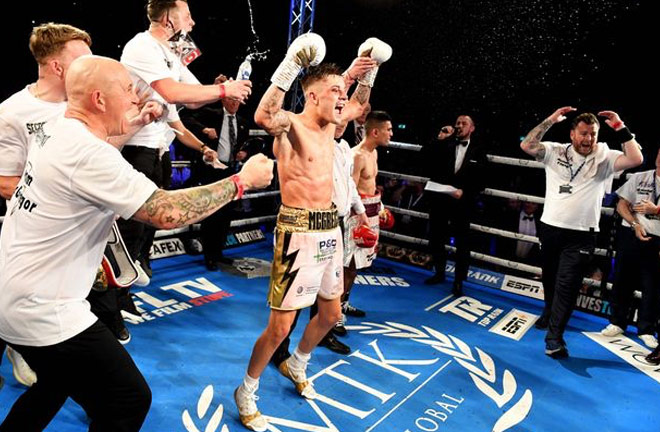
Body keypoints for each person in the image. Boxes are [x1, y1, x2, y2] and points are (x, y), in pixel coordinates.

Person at [0, 55, 273, 431]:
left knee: (57, 382)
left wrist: (136, 122)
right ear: (99, 99)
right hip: (44, 308)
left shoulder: (57, 126)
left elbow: (96, 140)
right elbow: (166, 212)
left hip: (15, 288)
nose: (135, 98)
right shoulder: (88, 155)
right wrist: (241, 182)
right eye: (128, 90)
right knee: (127, 398)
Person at [234, 33, 386, 431]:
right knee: (280, 325)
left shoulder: (332, 130)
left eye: (343, 90)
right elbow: (264, 116)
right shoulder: (293, 126)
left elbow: (360, 105)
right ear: (313, 96)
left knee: (331, 313)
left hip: (330, 229)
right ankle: (247, 390)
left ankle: (297, 362)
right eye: (335, 90)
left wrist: (368, 68)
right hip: (297, 233)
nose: (342, 97)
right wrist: (290, 65)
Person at [118, 0, 251, 278]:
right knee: (133, 225)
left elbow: (192, 98)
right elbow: (171, 92)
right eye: (187, 17)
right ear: (169, 18)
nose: (192, 24)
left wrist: (224, 92)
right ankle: (116, 299)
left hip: (159, 150)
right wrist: (224, 89)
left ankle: (134, 280)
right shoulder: (141, 46)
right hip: (135, 147)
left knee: (152, 223)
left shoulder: (170, 53)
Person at [0, 22, 93, 390]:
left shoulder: (83, 105)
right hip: (35, 236)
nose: (90, 66)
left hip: (80, 234)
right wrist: (60, 196)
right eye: (81, 60)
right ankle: (19, 346)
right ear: (57, 66)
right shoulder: (13, 111)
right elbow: (4, 180)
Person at [520, 106, 643, 358]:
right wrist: (551, 119)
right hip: (551, 227)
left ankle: (554, 338)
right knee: (551, 278)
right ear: (573, 134)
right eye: (584, 133)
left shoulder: (605, 156)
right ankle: (547, 311)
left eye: (593, 134)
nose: (588, 139)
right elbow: (528, 145)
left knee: (567, 286)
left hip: (581, 234)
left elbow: (636, 159)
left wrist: (620, 127)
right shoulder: (555, 151)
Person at [338, 110, 394, 334]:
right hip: (356, 215)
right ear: (375, 131)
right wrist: (359, 218)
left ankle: (342, 304)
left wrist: (379, 207)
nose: (391, 133)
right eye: (388, 129)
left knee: (356, 267)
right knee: (346, 267)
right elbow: (349, 191)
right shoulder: (357, 156)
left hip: (370, 213)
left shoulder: (374, 154)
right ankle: (334, 315)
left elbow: (370, 186)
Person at [600, 147, 660, 349]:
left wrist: (657, 210)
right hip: (631, 233)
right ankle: (617, 322)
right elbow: (621, 205)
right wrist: (635, 224)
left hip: (657, 239)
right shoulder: (640, 177)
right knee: (622, 279)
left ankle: (646, 329)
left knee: (652, 286)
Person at [180, 95, 249, 270]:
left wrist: (243, 153)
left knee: (226, 214)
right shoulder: (211, 113)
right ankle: (209, 256)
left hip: (231, 171)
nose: (235, 104)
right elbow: (185, 118)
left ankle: (219, 254)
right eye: (232, 100)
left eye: (237, 101)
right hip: (211, 170)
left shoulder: (242, 121)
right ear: (224, 101)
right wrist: (204, 130)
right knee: (212, 213)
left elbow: (244, 145)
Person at [422, 115, 487, 296]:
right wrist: (440, 137)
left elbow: (483, 179)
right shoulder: (445, 144)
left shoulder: (479, 150)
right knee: (436, 238)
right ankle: (439, 272)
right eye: (457, 123)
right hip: (440, 201)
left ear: (472, 128)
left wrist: (465, 192)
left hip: (462, 203)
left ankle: (459, 281)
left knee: (462, 243)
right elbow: (424, 156)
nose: (459, 126)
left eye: (464, 123)